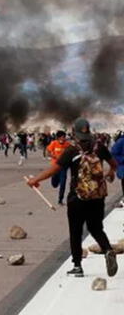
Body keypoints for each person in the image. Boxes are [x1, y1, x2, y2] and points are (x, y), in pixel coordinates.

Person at [27, 118, 118, 278]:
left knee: (75, 231)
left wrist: (35, 180)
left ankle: (77, 266)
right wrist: (110, 173)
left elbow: (53, 170)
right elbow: (114, 163)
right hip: (97, 196)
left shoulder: (71, 150)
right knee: (96, 228)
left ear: (74, 132)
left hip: (77, 197)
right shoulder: (100, 146)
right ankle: (108, 250)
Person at [47, 130, 71, 205]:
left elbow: (71, 153)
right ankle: (54, 181)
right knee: (54, 184)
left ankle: (60, 199)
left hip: (63, 167)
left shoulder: (67, 145)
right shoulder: (53, 143)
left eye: (64, 137)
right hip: (55, 167)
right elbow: (48, 152)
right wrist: (53, 156)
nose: (63, 139)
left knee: (63, 183)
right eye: (61, 137)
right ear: (58, 138)